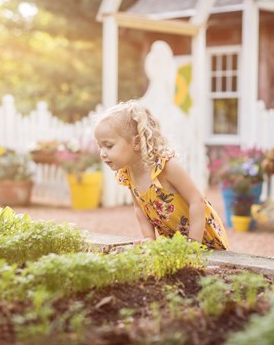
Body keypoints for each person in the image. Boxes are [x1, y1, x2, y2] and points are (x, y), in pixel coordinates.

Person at [93, 100, 230, 250]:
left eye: (109, 146)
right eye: (100, 146)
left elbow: (197, 200)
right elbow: (139, 208)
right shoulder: (128, 173)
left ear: (136, 142)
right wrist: (149, 238)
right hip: (175, 245)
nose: (102, 153)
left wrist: (193, 244)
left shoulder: (166, 167)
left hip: (204, 241)